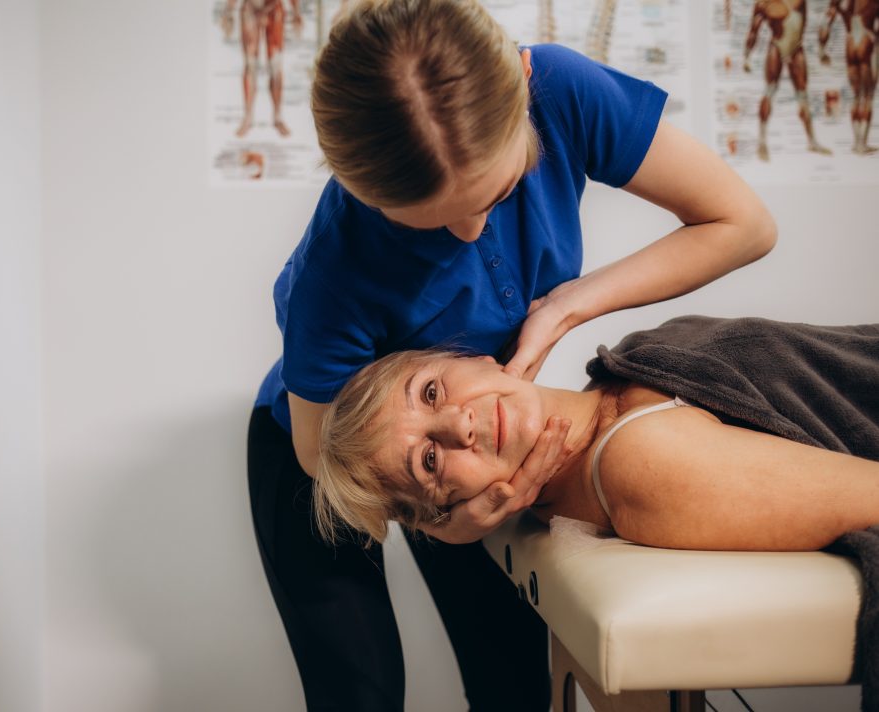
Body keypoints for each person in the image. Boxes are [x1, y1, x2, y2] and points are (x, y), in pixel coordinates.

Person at [249, 1, 776, 709]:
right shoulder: (332, 273)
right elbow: (323, 460)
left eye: (496, 196)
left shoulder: (558, 88)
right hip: (318, 459)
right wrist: (442, 519)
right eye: (432, 225)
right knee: (359, 691)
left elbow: (742, 224)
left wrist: (569, 303)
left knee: (512, 684)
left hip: (454, 460)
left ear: (525, 97)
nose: (470, 233)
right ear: (359, 190)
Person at [314, 316, 879, 551]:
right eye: (429, 462)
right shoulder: (638, 464)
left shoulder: (621, 368)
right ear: (453, 510)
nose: (458, 423)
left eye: (431, 392)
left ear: (472, 356)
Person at [744, 0, 831, 161]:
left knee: (803, 95)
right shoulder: (763, 3)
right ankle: (762, 141)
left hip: (796, 47)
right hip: (777, 46)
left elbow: (802, 22)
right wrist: (747, 56)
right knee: (769, 91)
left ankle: (811, 141)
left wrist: (818, 50)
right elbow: (753, 30)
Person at [221, 0, 302, 137]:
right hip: (251, 8)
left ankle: (277, 117)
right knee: (250, 64)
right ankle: (248, 117)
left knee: (275, 65)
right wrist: (229, 10)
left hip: (274, 8)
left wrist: (296, 11)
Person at [819, 0, 879, 155]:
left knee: (855, 97)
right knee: (868, 97)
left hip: (850, 40)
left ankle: (855, 142)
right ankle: (862, 144)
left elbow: (826, 22)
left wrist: (822, 50)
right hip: (867, 39)